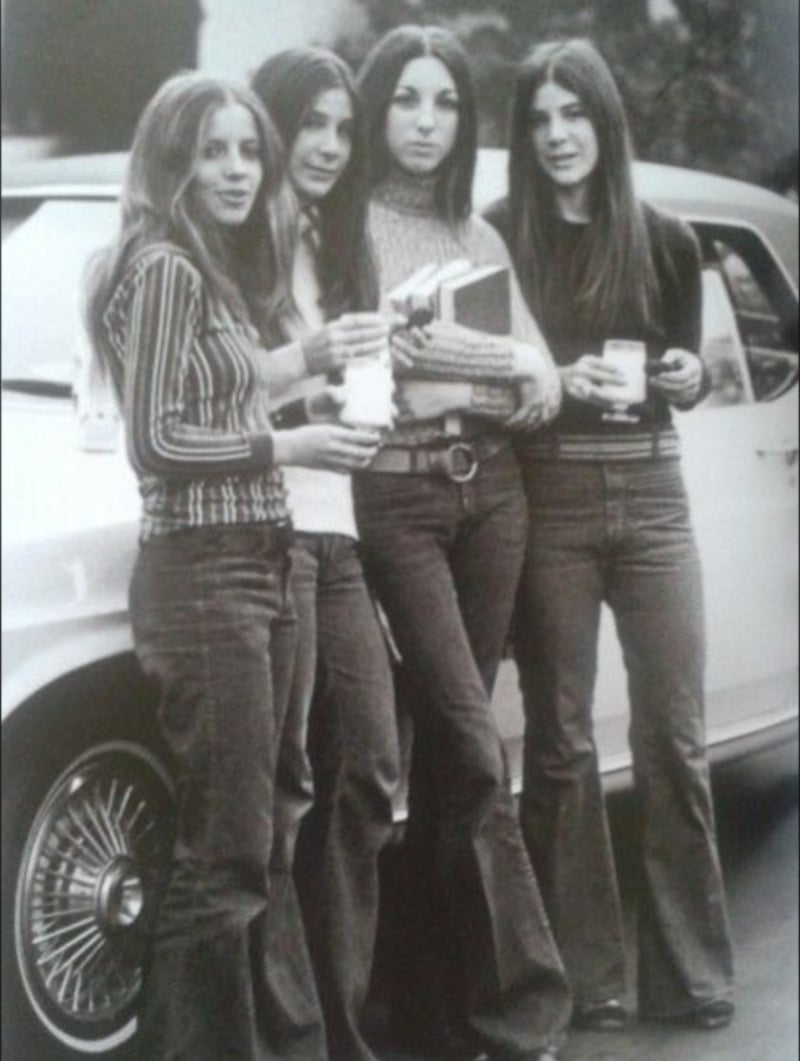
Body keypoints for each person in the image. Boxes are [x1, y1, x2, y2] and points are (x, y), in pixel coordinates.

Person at [85, 71, 381, 1060]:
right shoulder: (165, 267)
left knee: (262, 835)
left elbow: (225, 393)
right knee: (224, 854)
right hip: (206, 574)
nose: (237, 170)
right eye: (211, 151)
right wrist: (292, 444)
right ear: (171, 161)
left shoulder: (208, 271)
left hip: (262, 557)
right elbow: (156, 441)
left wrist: (311, 376)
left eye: (249, 151)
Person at [484, 37, 735, 1034]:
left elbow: (691, 368)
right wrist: (549, 384)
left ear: (604, 120)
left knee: (672, 733)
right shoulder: (499, 236)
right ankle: (586, 977)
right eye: (540, 119)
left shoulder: (666, 238)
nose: (557, 136)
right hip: (550, 493)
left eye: (574, 113)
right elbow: (485, 380)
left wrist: (689, 375)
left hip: (654, 491)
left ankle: (691, 974)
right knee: (559, 739)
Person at [353, 25, 571, 1061]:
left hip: (494, 497)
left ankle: (428, 1007)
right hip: (397, 502)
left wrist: (495, 366)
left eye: (444, 102)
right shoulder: (347, 226)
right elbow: (385, 361)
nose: (426, 122)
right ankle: (525, 1009)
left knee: (450, 755)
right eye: (406, 98)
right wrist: (501, 363)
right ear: (376, 108)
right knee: (474, 745)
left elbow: (544, 382)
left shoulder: (478, 235)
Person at [249, 47, 401, 1061]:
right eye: (310, 123)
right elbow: (211, 395)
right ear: (269, 126)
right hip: (268, 526)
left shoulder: (339, 246)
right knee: (279, 788)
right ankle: (289, 1037)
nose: (331, 146)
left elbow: (362, 391)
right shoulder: (233, 242)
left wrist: (364, 398)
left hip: (337, 529)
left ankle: (339, 1027)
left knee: (369, 770)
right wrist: (308, 387)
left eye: (344, 129)